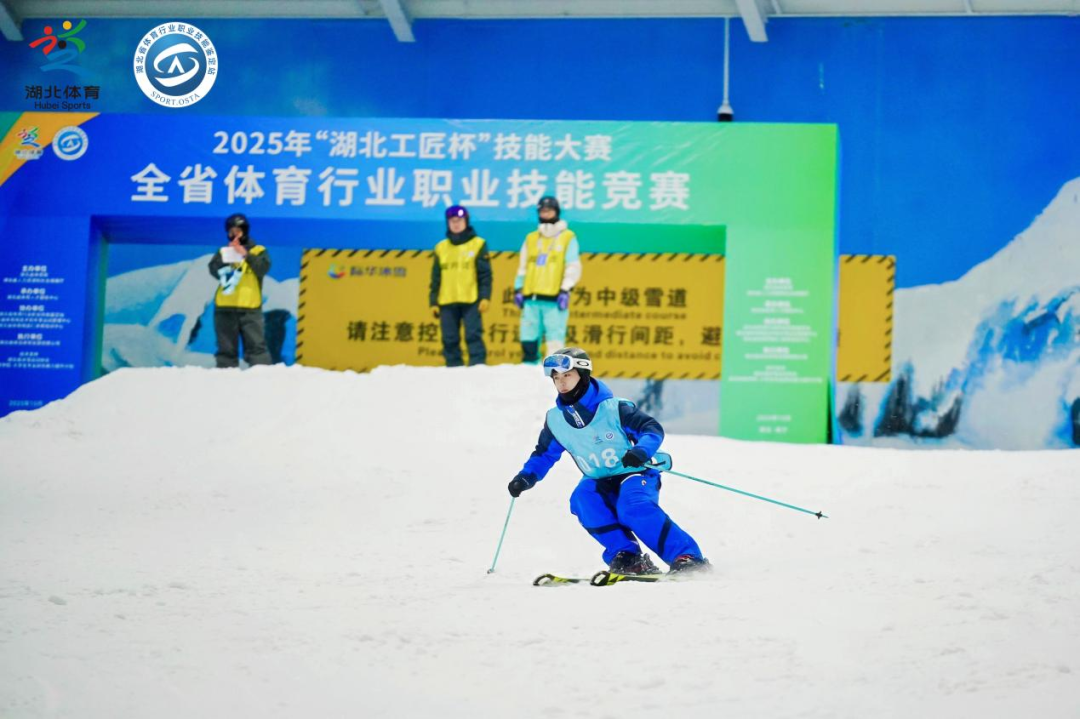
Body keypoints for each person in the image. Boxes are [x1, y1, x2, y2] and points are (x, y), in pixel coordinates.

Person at [508, 347, 709, 575]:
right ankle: (628, 558)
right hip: (599, 478)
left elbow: (651, 429)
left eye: (567, 375)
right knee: (583, 499)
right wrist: (525, 478)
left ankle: (687, 557)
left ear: (583, 375)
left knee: (632, 507)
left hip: (635, 472)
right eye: (556, 378)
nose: (561, 383)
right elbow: (544, 454)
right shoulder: (556, 420)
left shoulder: (614, 408)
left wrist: (641, 451)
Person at [513, 196, 581, 364]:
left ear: (556, 212)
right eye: (542, 211)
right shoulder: (531, 238)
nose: (546, 214)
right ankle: (528, 371)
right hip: (531, 298)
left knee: (554, 339)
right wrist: (518, 288)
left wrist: (565, 288)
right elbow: (523, 266)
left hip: (554, 298)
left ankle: (554, 374)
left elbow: (573, 266)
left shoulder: (567, 237)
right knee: (528, 337)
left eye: (549, 210)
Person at [429, 205, 492, 367]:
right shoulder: (441, 247)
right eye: (452, 221)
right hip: (446, 300)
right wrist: (433, 301)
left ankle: (477, 368)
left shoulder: (478, 244)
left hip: (471, 299)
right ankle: (453, 370)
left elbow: (485, 275)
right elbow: (435, 278)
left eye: (459, 220)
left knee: (473, 335)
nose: (456, 224)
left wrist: (485, 297)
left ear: (466, 221)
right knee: (449, 338)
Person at [207, 213, 272, 368]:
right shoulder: (223, 251)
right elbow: (214, 270)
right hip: (225, 307)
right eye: (231, 232)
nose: (234, 235)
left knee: (257, 348)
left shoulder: (258, 250)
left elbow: (263, 268)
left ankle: (262, 378)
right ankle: (226, 378)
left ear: (245, 231)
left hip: (250, 307)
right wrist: (227, 256)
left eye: (238, 231)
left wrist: (245, 254)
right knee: (226, 350)